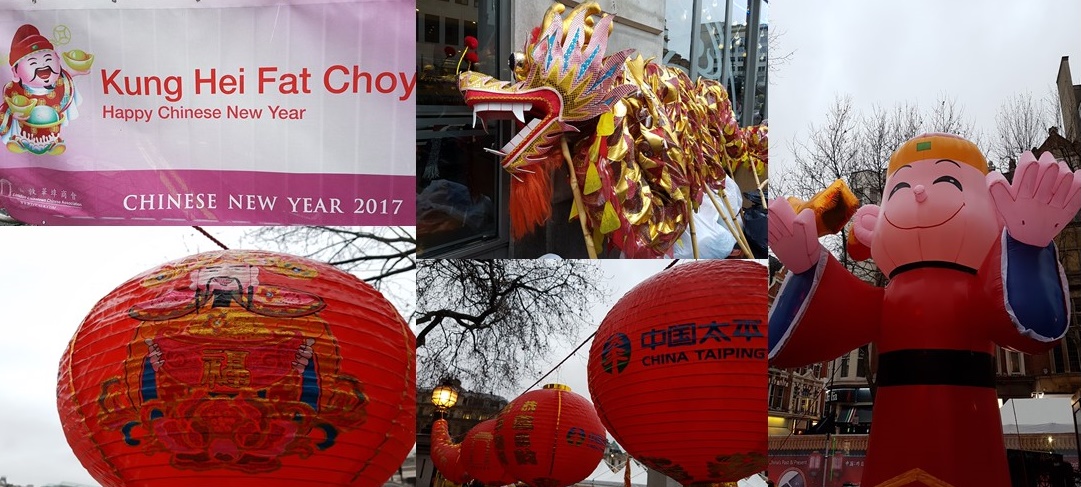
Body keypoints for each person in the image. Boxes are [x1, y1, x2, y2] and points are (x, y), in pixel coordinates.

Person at [769, 133, 1081, 486]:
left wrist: (1027, 243)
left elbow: (1033, 326)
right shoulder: (887, 297)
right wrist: (807, 267)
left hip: (966, 445)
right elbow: (816, 328)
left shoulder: (975, 289)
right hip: (897, 451)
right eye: (900, 188)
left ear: (995, 212)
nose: (918, 191)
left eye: (948, 181)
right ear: (873, 222)